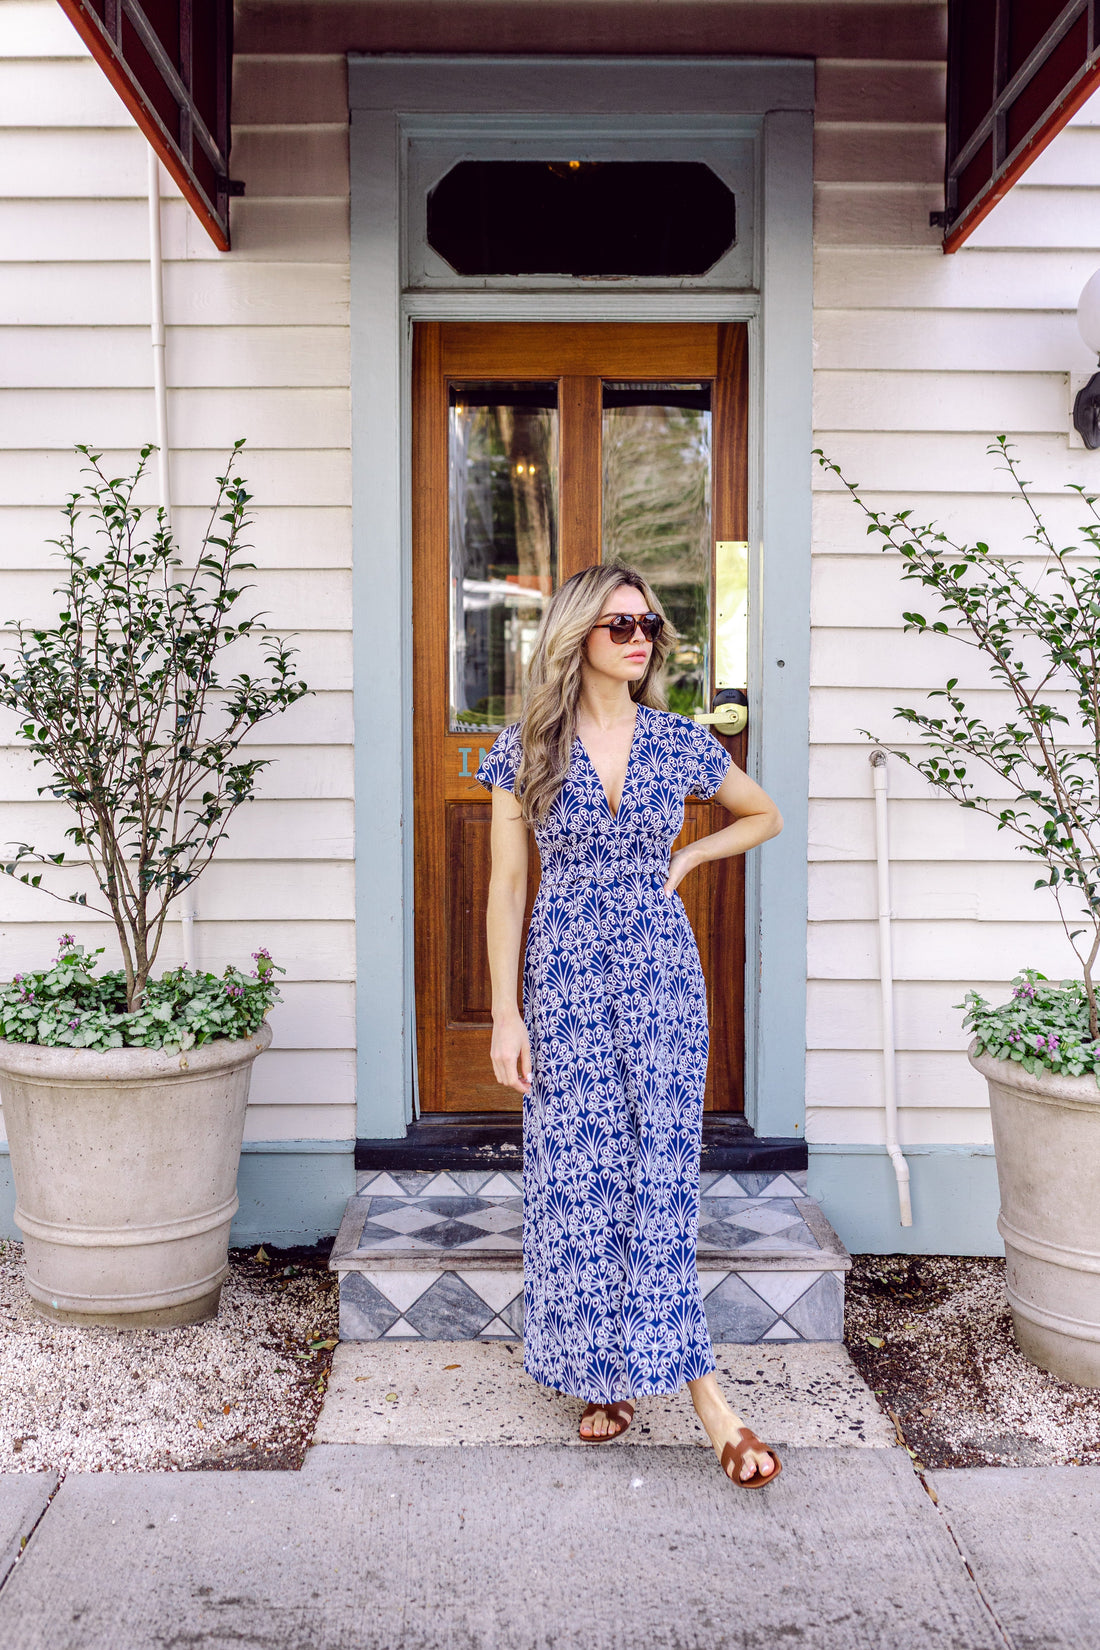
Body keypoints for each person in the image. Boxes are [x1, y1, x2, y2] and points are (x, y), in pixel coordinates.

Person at [476, 562, 785, 1487]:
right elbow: (504, 887)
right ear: (579, 636)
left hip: (659, 971)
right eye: (620, 624)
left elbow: (763, 815)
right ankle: (602, 1373)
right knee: (578, 1180)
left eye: (648, 621)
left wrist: (690, 854)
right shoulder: (526, 746)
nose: (640, 635)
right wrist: (504, 1013)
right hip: (565, 975)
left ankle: (701, 1397)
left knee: (657, 1176)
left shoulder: (679, 742)